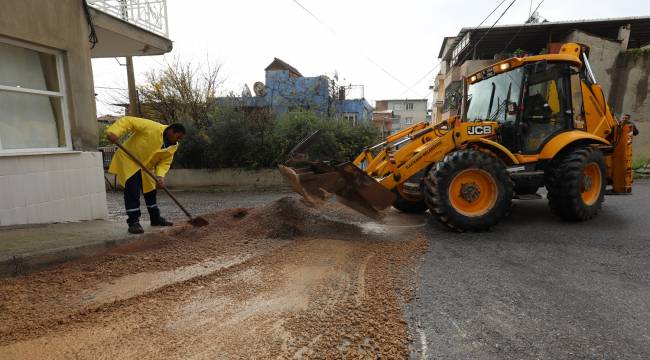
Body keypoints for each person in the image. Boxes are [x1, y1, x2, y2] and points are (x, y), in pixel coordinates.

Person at [106, 116, 186, 234]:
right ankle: (133, 222)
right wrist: (114, 132)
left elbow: (165, 162)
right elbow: (128, 121)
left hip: (146, 167)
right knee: (132, 191)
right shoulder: (152, 127)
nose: (178, 140)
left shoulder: (173, 146)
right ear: (170, 131)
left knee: (150, 191)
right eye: (177, 136)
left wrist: (160, 176)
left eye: (180, 138)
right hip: (129, 160)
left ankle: (155, 218)